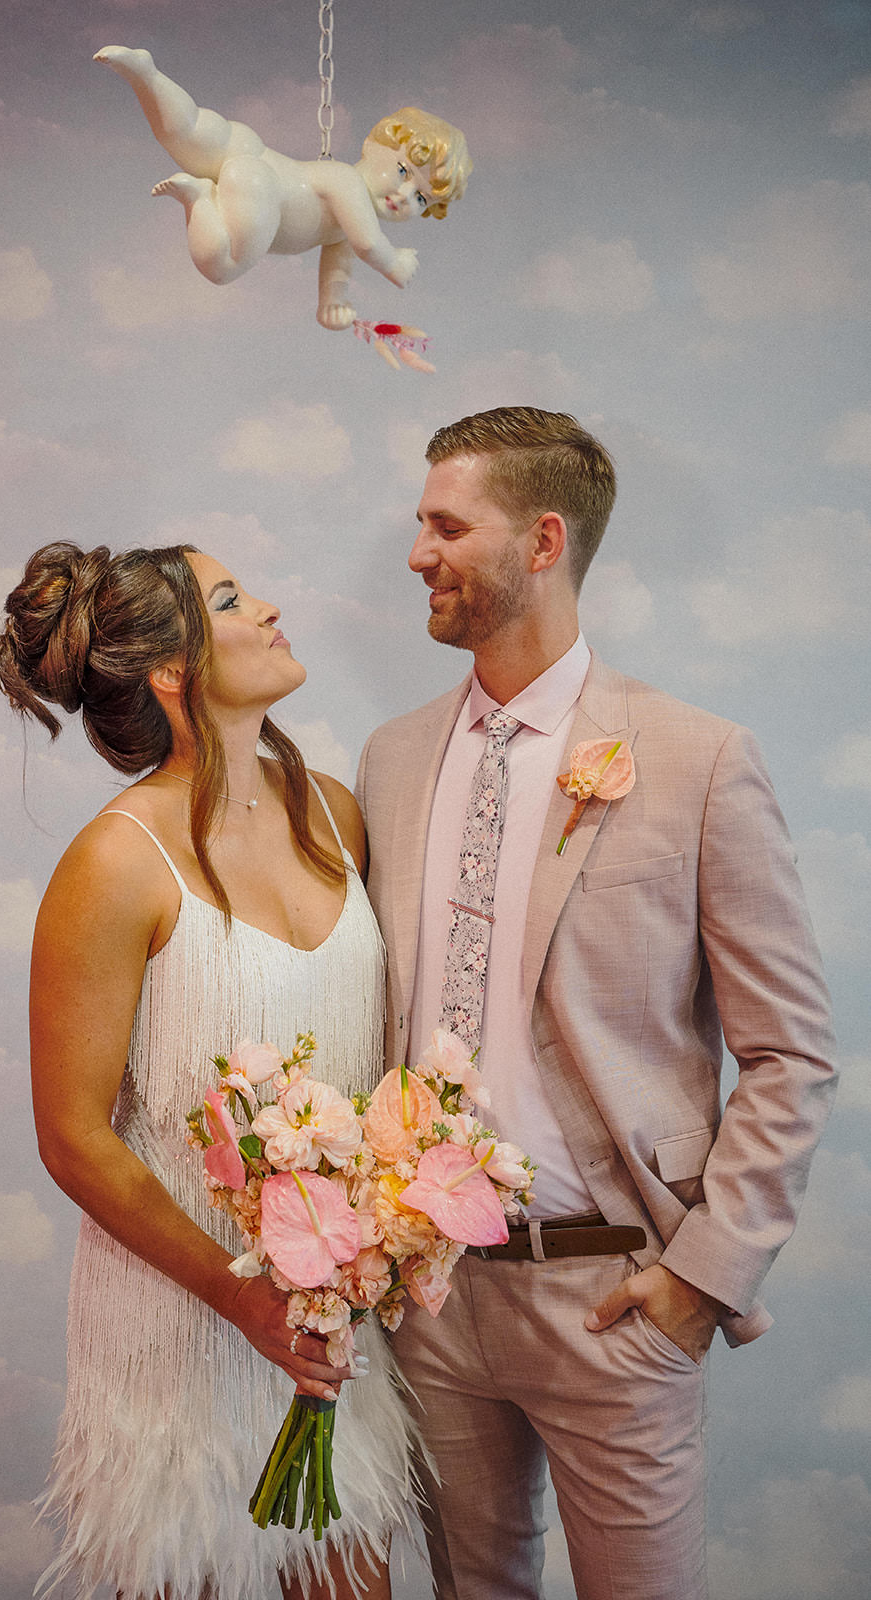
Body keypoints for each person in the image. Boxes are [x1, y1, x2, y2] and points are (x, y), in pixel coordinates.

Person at [355, 407, 837, 1600]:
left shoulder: (695, 759)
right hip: (431, 1297)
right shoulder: (389, 759)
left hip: (615, 1292)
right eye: (419, 523)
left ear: (541, 540)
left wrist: (702, 1275)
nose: (416, 552)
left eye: (445, 526)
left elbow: (789, 1052)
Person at [0, 541, 418, 1600]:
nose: (267, 606)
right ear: (173, 673)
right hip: (181, 1333)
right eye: (230, 598)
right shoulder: (113, 862)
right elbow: (72, 1137)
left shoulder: (334, 813)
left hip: (324, 1334)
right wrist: (242, 1300)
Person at [93, 46, 471, 329]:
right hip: (261, 187)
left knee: (186, 131)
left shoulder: (343, 222)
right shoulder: (346, 181)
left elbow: (339, 259)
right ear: (374, 144)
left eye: (421, 198)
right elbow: (368, 244)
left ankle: (147, 75)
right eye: (404, 171)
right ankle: (200, 198)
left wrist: (331, 302)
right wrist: (394, 264)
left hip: (253, 154)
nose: (404, 197)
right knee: (222, 267)